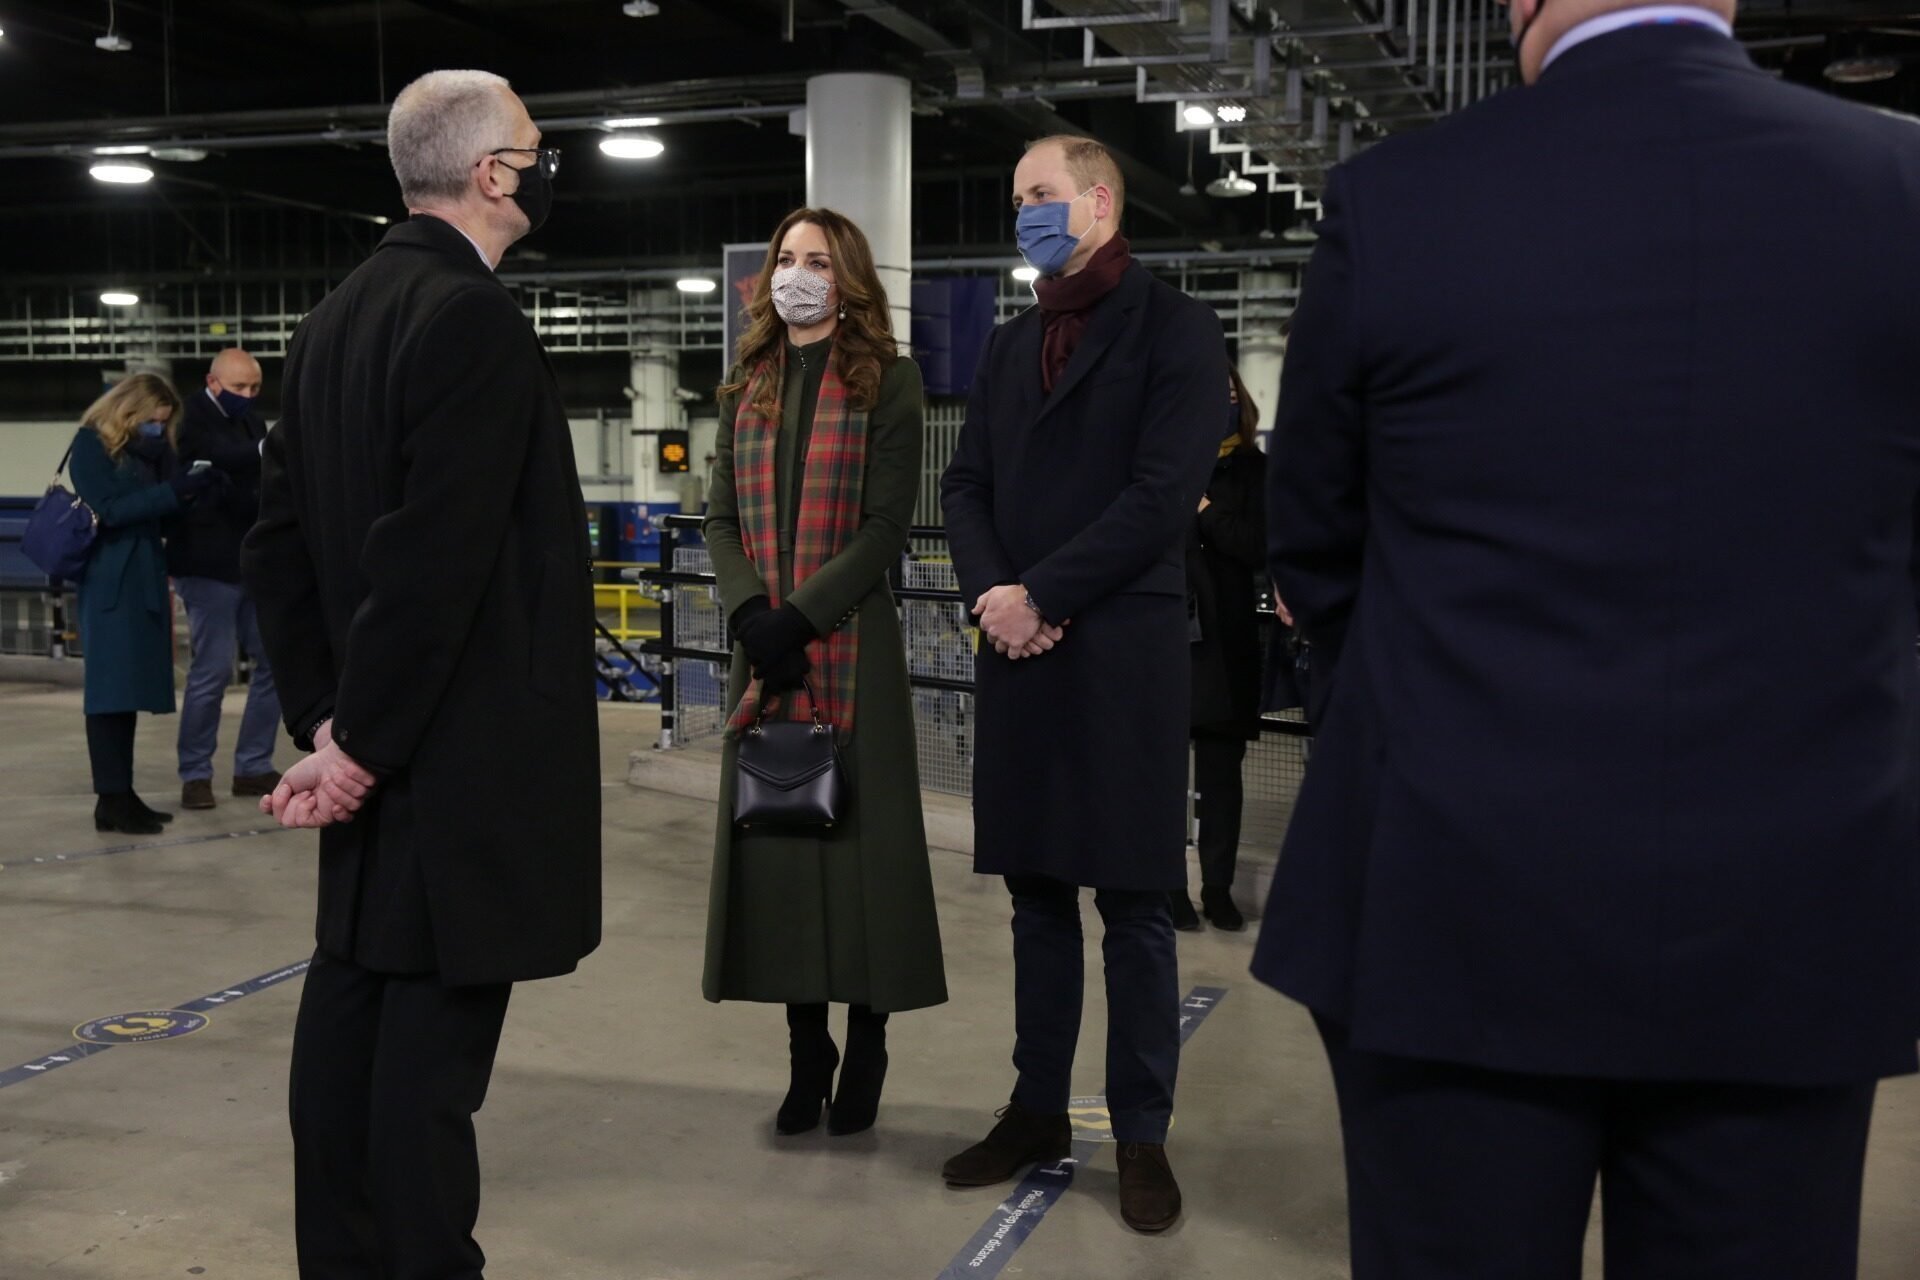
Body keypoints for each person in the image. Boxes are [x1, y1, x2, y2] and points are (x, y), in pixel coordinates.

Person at [1257, 2, 1920, 1276]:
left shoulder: (1401, 200)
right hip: (1792, 903)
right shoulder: (1897, 190)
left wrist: (1407, 720)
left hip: (1451, 899)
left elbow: (1317, 537)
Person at [240, 69, 601, 1279]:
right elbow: (435, 564)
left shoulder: (336, 316)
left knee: (349, 1038)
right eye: (537, 149)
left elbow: (276, 545)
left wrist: (326, 718)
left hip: (378, 758)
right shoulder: (472, 320)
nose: (546, 167)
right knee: (426, 1085)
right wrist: (364, 745)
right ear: (495, 172)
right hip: (455, 770)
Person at [939, 135, 1226, 1234]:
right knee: (1036, 899)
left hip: (1119, 655)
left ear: (1100, 200)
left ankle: (1142, 1131)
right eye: (1018, 200)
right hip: (1020, 650)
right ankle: (1036, 1108)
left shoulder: (1177, 331)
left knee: (1138, 906)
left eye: (1041, 196)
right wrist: (990, 596)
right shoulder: (1015, 345)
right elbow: (966, 482)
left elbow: (1162, 497)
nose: (1026, 215)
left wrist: (1041, 593)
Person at [702, 207, 947, 1138]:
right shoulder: (747, 383)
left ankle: (869, 1042)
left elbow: (885, 528)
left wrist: (799, 616)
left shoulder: (890, 380)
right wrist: (752, 616)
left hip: (850, 649)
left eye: (815, 261)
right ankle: (810, 1056)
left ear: (846, 279)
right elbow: (721, 519)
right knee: (782, 849)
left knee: (862, 855)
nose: (796, 274)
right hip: (763, 644)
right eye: (784, 259)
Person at [69, 373, 218, 835]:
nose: (158, 428)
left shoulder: (150, 453)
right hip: (112, 583)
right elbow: (109, 510)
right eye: (153, 420)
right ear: (130, 410)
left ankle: (122, 795)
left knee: (127, 693)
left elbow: (157, 504)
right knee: (109, 693)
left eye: (163, 422)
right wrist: (172, 493)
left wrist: (189, 490)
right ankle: (110, 797)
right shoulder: (90, 446)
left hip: (145, 577)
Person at [1171, 365, 1266, 933]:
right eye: (1216, 393)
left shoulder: (1255, 470)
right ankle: (1168, 888)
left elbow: (1255, 545)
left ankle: (1218, 888)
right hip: (1171, 635)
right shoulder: (1167, 464)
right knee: (1162, 775)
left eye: (1233, 394)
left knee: (1222, 776)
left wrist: (1204, 509)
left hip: (1227, 642)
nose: (1226, 403)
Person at [169, 347, 281, 810]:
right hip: (207, 565)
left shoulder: (252, 422)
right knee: (211, 672)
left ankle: (252, 766)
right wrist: (264, 450)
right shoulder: (189, 420)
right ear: (212, 382)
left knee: (275, 665)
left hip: (250, 562)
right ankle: (196, 774)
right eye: (240, 388)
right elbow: (224, 457)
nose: (249, 396)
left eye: (254, 389)